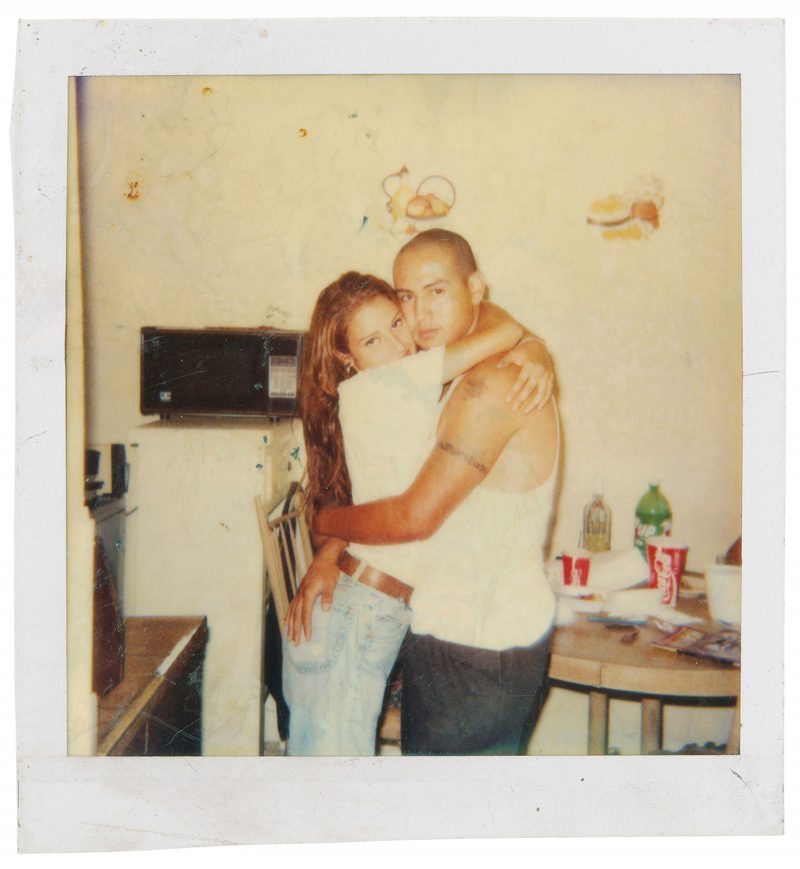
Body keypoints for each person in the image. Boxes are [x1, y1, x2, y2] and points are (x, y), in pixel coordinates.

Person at [306, 229, 560, 755]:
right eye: (406, 296)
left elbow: (413, 516)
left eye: (436, 291)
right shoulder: (445, 377)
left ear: (475, 287)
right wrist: (331, 554)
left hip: (472, 649)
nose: (418, 315)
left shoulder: (486, 386)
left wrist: (325, 524)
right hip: (473, 639)